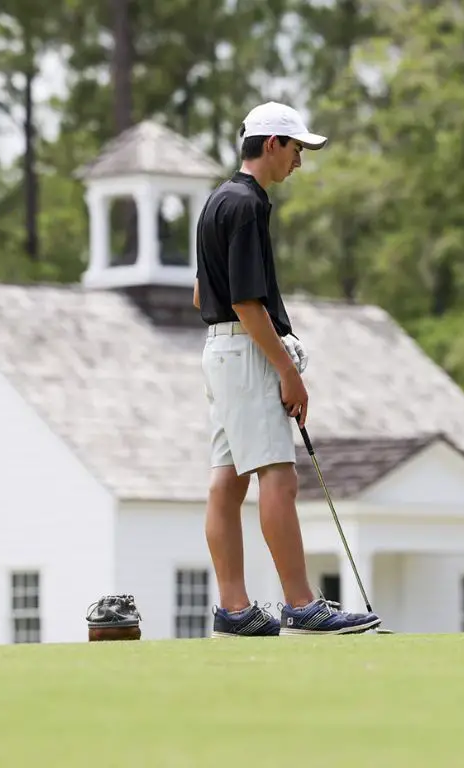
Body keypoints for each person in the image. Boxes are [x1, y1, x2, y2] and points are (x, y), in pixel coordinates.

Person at [192, 101, 382, 637]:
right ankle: (300, 604)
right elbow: (248, 303)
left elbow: (201, 293)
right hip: (246, 350)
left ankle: (234, 609)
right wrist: (288, 371)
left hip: (219, 350)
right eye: (298, 149)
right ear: (272, 144)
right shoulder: (248, 204)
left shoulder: (216, 201)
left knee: (226, 482)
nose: (300, 161)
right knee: (278, 474)